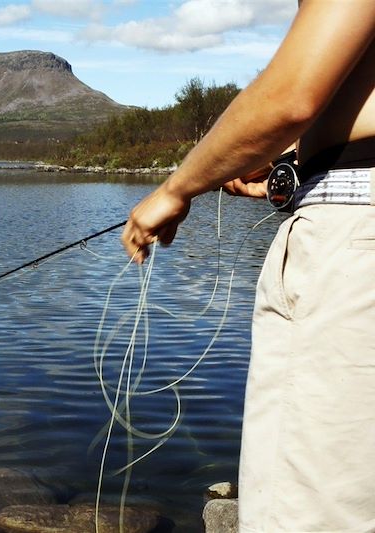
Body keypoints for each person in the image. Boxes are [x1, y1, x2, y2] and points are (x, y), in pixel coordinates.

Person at [120, 1, 375, 532]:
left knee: (308, 512)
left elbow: (291, 95)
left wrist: (177, 187)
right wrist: (296, 161)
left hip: (353, 247)